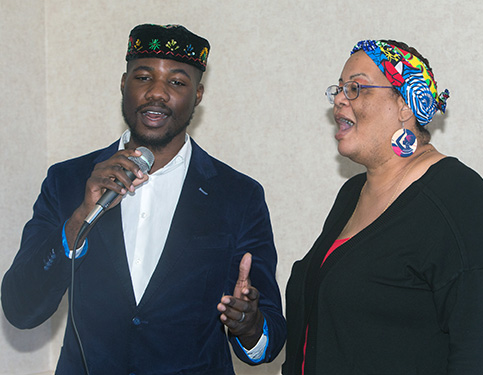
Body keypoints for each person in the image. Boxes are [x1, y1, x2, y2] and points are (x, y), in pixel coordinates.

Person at [2, 23, 286, 375]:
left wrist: (250, 325)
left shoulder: (238, 196)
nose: (157, 93)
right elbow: (20, 308)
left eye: (177, 82)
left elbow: (269, 341)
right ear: (124, 85)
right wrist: (78, 220)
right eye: (143, 77)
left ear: (197, 95)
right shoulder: (68, 180)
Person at [282, 39, 483, 374]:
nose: (340, 99)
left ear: (405, 106)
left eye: (357, 88)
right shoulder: (353, 193)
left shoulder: (459, 196)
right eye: (340, 88)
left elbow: (477, 349)